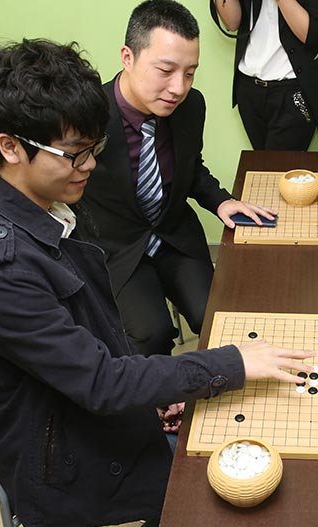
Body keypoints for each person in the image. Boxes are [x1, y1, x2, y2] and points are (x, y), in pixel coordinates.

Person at [0, 38, 313, 527]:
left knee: (227, 418)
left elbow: (95, 342)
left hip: (75, 400)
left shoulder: (43, 208)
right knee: (221, 473)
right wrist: (228, 363)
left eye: (92, 148)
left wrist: (157, 390)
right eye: (74, 153)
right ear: (10, 147)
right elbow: (98, 382)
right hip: (56, 443)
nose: (90, 165)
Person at [75, 0, 274, 359]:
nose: (178, 88)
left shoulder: (191, 106)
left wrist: (221, 200)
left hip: (174, 236)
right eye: (165, 70)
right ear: (127, 57)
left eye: (190, 73)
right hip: (116, 249)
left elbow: (190, 167)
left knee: (218, 318)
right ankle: (159, 400)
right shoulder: (86, 115)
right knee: (151, 335)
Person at [210, 0, 318, 150]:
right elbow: (232, 22)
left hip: (293, 89)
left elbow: (313, 35)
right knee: (264, 168)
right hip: (249, 87)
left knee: (279, 168)